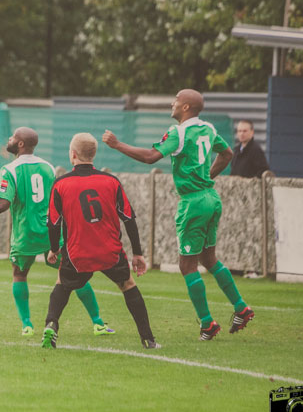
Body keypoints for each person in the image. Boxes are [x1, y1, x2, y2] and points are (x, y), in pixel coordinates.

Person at [103, 89, 255, 340]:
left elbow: (152, 157)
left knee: (187, 265)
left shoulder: (178, 133)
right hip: (211, 198)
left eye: (176, 100)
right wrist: (207, 177)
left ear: (186, 107)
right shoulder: (207, 128)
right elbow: (227, 154)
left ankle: (207, 323)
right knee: (209, 259)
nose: (172, 103)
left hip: (193, 202)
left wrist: (117, 144)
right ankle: (241, 307)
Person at [0, 126, 113, 338]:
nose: (9, 139)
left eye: (12, 137)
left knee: (19, 274)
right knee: (74, 275)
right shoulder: (48, 167)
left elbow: (3, 203)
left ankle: (27, 325)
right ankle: (98, 323)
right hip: (51, 233)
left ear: (20, 144)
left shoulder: (9, 170)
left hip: (25, 234)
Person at [41, 133, 160, 351]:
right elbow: (129, 218)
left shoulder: (61, 184)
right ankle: (148, 339)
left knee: (62, 284)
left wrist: (54, 249)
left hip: (77, 253)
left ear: (73, 154)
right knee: (128, 285)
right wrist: (138, 254)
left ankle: (51, 324)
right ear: (93, 154)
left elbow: (53, 223)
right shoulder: (111, 181)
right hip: (110, 251)